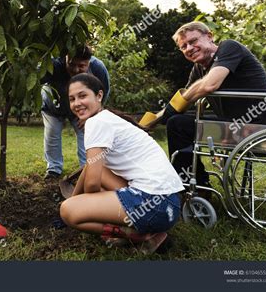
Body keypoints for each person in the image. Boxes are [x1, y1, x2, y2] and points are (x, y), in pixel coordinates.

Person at [60, 74, 183, 254]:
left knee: (68, 211)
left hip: (153, 204)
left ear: (99, 95)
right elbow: (91, 168)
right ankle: (150, 228)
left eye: (82, 95)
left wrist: (80, 205)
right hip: (170, 204)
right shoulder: (107, 118)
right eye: (72, 99)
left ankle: (139, 236)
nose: (77, 103)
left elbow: (92, 183)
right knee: (98, 172)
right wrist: (75, 197)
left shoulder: (96, 123)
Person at [155, 21, 266, 186]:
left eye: (193, 41)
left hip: (260, 130)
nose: (189, 48)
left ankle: (195, 188)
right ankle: (197, 184)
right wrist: (151, 121)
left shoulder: (229, 47)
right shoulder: (199, 69)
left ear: (209, 36)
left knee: (177, 123)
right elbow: (183, 100)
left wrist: (181, 102)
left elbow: (208, 85)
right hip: (236, 126)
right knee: (178, 122)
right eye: (183, 46)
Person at [40, 45, 110, 179]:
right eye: (72, 64)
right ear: (65, 58)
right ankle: (53, 170)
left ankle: (86, 169)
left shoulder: (97, 67)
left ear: (89, 62)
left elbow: (104, 91)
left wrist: (92, 114)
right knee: (52, 135)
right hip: (53, 106)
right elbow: (35, 77)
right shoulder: (54, 65)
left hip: (82, 109)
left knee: (86, 135)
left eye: (82, 66)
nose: (76, 69)